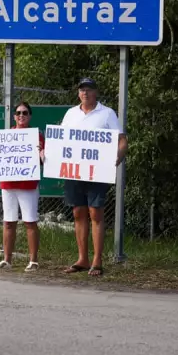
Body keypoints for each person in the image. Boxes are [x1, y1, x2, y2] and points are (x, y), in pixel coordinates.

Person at [61, 77, 128, 277]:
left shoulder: (107, 113)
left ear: (96, 92)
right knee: (78, 213)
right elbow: (61, 140)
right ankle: (82, 259)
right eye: (82, 90)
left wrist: (117, 156)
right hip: (73, 171)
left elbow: (122, 141)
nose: (85, 93)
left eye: (89, 89)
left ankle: (97, 261)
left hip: (97, 172)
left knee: (95, 213)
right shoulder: (71, 113)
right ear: (78, 93)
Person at [0, 102, 46, 272]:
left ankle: (33, 261)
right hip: (8, 184)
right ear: (14, 116)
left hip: (27, 185)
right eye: (18, 113)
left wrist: (42, 153)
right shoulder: (6, 135)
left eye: (25, 113)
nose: (21, 115)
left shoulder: (37, 136)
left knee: (30, 222)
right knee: (8, 222)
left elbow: (44, 159)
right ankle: (7, 260)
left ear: (30, 116)